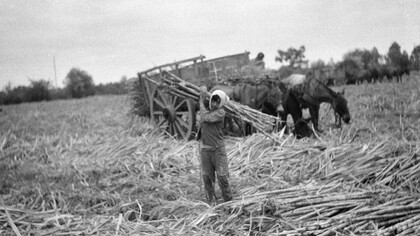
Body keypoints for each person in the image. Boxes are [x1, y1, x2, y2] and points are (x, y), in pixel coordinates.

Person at [196, 89, 233, 204]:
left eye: (218, 102)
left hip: (218, 150)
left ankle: (228, 201)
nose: (215, 104)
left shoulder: (221, 113)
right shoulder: (205, 111)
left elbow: (205, 118)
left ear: (221, 104)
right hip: (205, 150)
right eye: (213, 101)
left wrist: (201, 102)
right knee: (207, 178)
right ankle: (210, 203)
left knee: (222, 177)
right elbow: (202, 118)